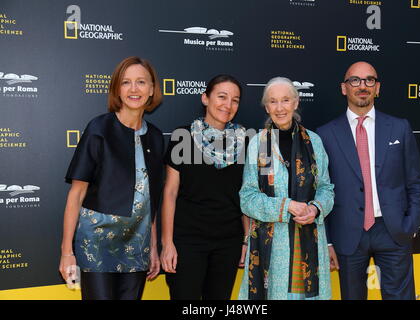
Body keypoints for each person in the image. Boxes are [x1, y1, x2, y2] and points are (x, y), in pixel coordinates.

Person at [316, 61, 420, 300]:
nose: (362, 86)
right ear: (344, 88)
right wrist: (327, 242)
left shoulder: (399, 128)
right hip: (347, 235)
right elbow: (321, 191)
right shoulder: (324, 135)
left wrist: (411, 225)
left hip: (394, 231)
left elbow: (415, 182)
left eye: (369, 80)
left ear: (377, 88)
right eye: (355, 80)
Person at [59, 56, 164, 300]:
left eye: (141, 82)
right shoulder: (99, 129)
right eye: (126, 82)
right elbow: (76, 194)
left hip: (137, 245)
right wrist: (67, 251)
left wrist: (153, 249)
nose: (134, 89)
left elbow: (152, 201)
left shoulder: (157, 137)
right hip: (96, 242)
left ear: (151, 90)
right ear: (117, 89)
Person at [238, 77, 334, 300]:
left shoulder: (314, 142)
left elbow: (326, 188)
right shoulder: (259, 143)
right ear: (266, 106)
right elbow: (247, 197)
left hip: (308, 243)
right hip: (271, 250)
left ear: (296, 102)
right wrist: (286, 206)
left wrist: (316, 209)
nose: (279, 108)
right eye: (273, 101)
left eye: (285, 100)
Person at [160, 74, 249, 300]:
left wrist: (246, 240)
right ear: (205, 98)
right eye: (221, 96)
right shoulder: (183, 136)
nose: (228, 105)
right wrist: (167, 243)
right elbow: (170, 193)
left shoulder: (247, 141)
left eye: (235, 100)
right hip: (188, 241)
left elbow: (247, 196)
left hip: (228, 242)